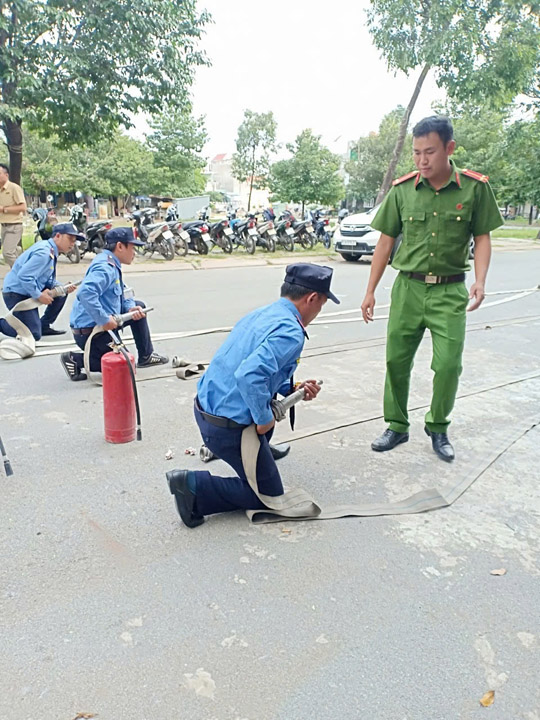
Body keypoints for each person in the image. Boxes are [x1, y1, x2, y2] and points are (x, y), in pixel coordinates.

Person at [360, 115, 503, 462]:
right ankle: (396, 425)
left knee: (449, 365)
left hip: (450, 291)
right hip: (408, 288)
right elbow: (385, 242)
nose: (422, 161)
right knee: (396, 361)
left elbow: (482, 237)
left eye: (430, 152)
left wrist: (480, 281)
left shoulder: (474, 188)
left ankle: (438, 427)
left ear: (449, 148)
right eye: (417, 153)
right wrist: (370, 290)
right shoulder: (403, 190)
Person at [166, 263, 340, 528]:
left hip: (207, 409)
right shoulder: (291, 331)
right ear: (312, 298)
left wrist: (292, 389)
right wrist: (262, 420)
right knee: (267, 496)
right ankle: (192, 486)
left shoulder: (266, 313)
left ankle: (260, 450)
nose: (318, 311)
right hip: (226, 429)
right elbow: (249, 376)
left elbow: (256, 369)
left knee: (262, 410)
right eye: (322, 304)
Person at [60, 227, 168, 381]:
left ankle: (146, 356)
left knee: (140, 306)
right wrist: (104, 320)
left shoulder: (110, 262)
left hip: (107, 322)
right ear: (119, 246)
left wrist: (130, 307)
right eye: (132, 248)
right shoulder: (105, 267)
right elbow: (85, 293)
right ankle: (75, 359)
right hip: (92, 331)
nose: (134, 253)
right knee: (124, 366)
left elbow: (124, 290)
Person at [0, 222, 82, 340]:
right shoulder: (44, 253)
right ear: (58, 236)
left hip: (26, 289)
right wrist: (38, 295)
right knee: (33, 335)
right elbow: (24, 276)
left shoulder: (50, 249)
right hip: (16, 294)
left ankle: (44, 325)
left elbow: (44, 278)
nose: (72, 244)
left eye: (74, 240)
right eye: (70, 239)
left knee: (61, 292)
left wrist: (61, 287)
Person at [0, 163, 27, 267]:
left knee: (7, 253)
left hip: (14, 225)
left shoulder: (14, 188)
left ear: (6, 175)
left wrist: (4, 209)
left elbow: (23, 208)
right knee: (12, 253)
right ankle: (17, 276)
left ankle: (22, 273)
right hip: (4, 226)